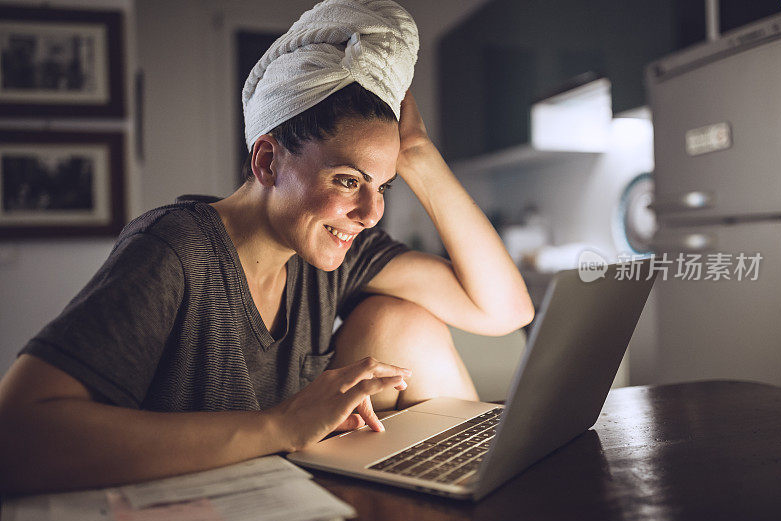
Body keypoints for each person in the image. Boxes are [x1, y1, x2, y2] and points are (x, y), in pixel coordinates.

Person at [0, 0, 533, 493]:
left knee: (401, 321)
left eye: (383, 186)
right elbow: (17, 434)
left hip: (286, 499)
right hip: (189, 511)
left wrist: (418, 154)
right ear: (267, 161)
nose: (371, 214)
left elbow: (504, 310)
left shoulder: (327, 254)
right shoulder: (176, 250)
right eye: (348, 180)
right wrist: (282, 425)